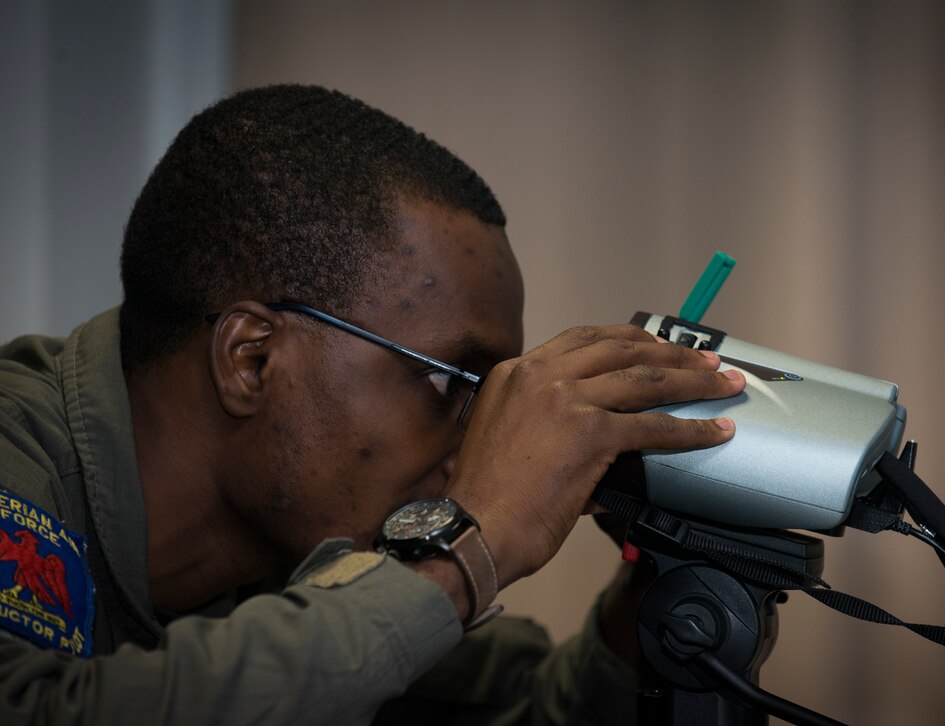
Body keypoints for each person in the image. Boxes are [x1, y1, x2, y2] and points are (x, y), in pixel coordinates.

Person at [0, 84, 745, 724]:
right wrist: (464, 554)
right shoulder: (17, 449)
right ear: (252, 359)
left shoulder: (303, 536)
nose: (476, 447)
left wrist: (663, 583)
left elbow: (528, 708)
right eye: (454, 383)